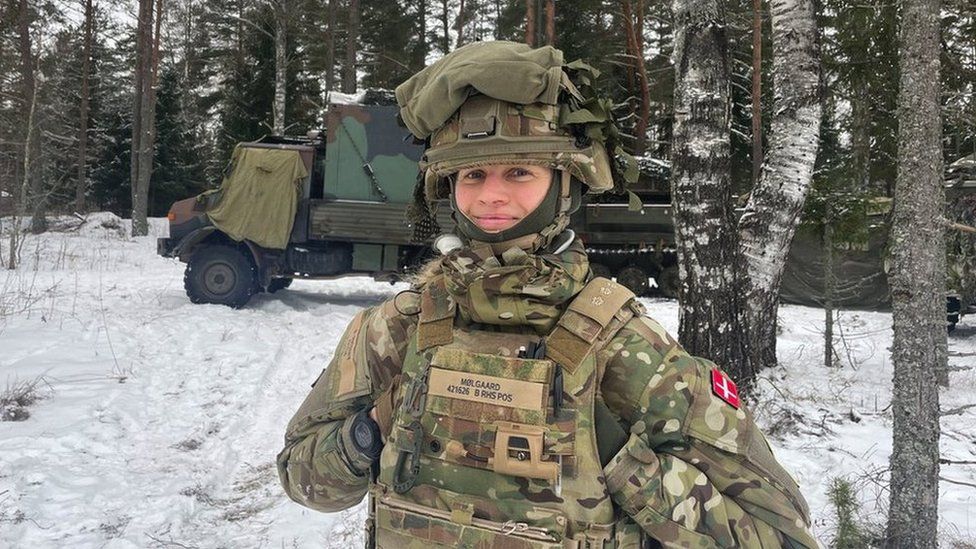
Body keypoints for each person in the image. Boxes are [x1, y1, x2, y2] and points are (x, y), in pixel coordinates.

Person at [277, 41, 818, 549]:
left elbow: (779, 532)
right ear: (446, 186)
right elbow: (304, 480)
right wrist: (374, 429)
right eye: (471, 174)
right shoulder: (396, 327)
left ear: (566, 182)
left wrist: (620, 461)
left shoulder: (626, 347)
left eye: (518, 171)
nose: (491, 194)